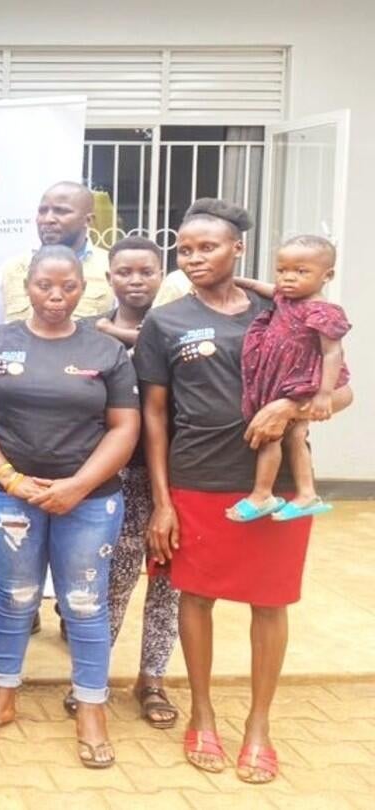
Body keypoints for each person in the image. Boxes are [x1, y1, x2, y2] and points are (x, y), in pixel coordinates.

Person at [136, 199, 353, 784]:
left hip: (278, 488)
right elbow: (153, 419)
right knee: (197, 597)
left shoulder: (290, 311)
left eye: (208, 247)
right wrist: (161, 501)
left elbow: (341, 393)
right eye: (184, 249)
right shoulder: (167, 322)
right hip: (197, 479)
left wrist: (288, 406)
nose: (195, 257)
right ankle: (203, 712)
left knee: (270, 602)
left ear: (238, 249)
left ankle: (259, 724)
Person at [0, 245, 140, 769]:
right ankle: (2, 693)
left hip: (89, 500)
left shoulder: (106, 352)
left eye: (68, 287)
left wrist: (78, 485)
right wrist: (9, 478)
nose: (56, 297)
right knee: (14, 597)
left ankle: (91, 706)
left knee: (84, 603)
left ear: (84, 288)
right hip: (9, 496)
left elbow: (125, 427)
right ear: (27, 286)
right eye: (45, 286)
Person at [81, 235, 181, 728]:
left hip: (175, 477)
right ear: (109, 277)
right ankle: (94, 677)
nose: (135, 280)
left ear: (161, 275)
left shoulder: (177, 330)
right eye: (125, 272)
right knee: (111, 582)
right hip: (109, 479)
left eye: (146, 271)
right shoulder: (86, 336)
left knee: (168, 582)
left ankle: (153, 678)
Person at [227, 234, 351, 522]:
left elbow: (333, 354)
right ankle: (307, 494)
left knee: (273, 436)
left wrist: (322, 394)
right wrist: (238, 282)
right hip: (280, 380)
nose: (288, 278)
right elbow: (263, 288)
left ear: (327, 275)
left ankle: (262, 495)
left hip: (301, 383)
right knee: (296, 435)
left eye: (301, 271)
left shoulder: (324, 311)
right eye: (282, 270)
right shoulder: (285, 298)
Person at [0, 182, 113, 323]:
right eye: (43, 211)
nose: (48, 219)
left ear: (88, 220)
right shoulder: (11, 268)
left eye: (61, 211)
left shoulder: (112, 269)